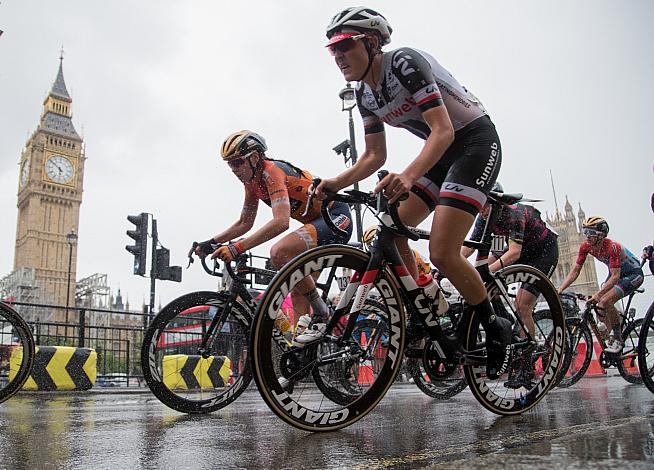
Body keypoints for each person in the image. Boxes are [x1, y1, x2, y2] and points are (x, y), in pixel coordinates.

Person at [315, 7, 511, 379]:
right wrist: (334, 185)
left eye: (344, 45)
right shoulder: (365, 95)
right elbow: (375, 155)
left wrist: (407, 176)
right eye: (332, 49)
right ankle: (431, 310)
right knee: (388, 231)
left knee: (441, 251)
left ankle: (496, 324)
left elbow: (443, 130)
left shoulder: (403, 63)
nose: (338, 56)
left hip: (473, 143)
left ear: (371, 42)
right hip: (440, 155)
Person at [195, 130, 353, 345]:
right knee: (299, 290)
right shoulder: (251, 183)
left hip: (335, 218)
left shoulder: (271, 172)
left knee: (280, 252)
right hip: (316, 225)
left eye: (238, 162)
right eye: (230, 164)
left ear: (255, 157)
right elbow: (245, 223)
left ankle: (322, 312)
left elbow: (281, 222)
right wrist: (212, 241)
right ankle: (302, 352)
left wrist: (236, 249)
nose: (234, 170)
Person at [461, 182, 559, 388]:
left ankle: (527, 366)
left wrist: (485, 273)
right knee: (484, 277)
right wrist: (448, 265)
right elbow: (471, 249)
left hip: (542, 253)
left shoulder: (514, 213)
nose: (481, 209)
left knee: (523, 305)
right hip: (520, 249)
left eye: (485, 204)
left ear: (497, 202)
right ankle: (504, 321)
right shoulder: (485, 216)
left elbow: (513, 253)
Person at [558, 216, 644, 353]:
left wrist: (598, 294)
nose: (586, 236)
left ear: (600, 235)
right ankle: (612, 338)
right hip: (616, 273)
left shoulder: (612, 247)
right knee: (598, 306)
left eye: (590, 233)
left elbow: (615, 277)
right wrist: (560, 289)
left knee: (605, 300)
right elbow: (575, 271)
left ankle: (618, 338)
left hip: (632, 274)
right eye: (585, 232)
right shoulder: (586, 246)